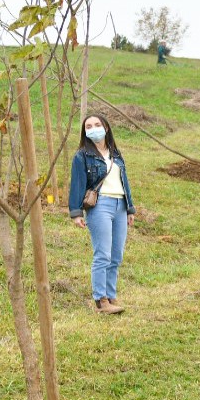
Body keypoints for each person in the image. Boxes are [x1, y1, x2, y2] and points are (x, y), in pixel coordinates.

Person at [68, 114, 137, 315]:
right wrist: (76, 212)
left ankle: (111, 295)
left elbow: (125, 182)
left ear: (106, 128)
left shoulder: (116, 154)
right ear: (85, 131)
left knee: (116, 255)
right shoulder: (82, 155)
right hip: (100, 206)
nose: (93, 128)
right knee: (103, 255)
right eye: (89, 126)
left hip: (120, 206)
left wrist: (130, 208)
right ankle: (101, 300)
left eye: (97, 124)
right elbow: (77, 184)